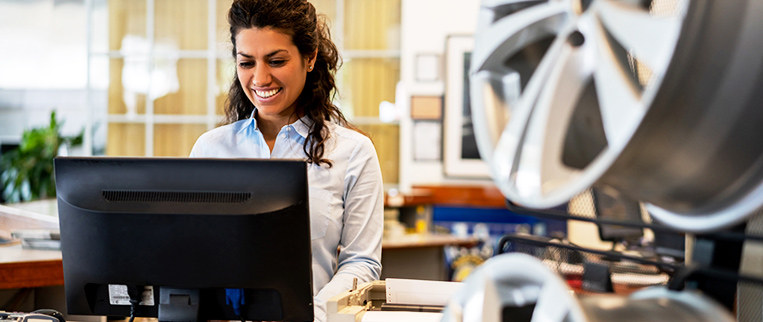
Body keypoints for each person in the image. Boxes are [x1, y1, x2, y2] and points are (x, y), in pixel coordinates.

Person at [189, 0, 383, 321]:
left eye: (276, 61)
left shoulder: (353, 152)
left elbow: (361, 262)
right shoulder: (211, 148)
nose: (260, 78)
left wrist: (312, 315)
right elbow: (191, 251)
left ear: (310, 58)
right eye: (246, 63)